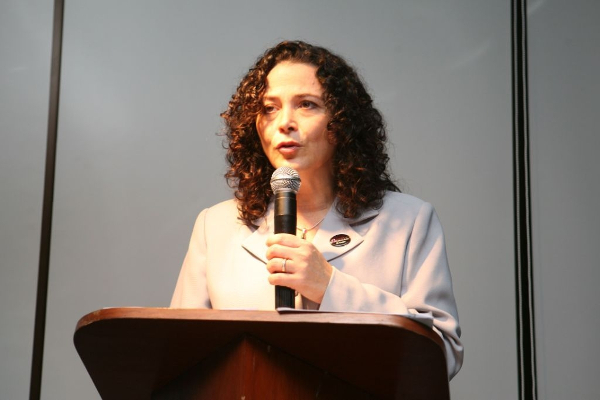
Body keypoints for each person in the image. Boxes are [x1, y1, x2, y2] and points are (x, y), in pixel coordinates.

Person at [170, 40, 463, 378]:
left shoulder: (409, 221)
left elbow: (441, 353)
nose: (284, 122)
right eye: (269, 108)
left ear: (341, 122)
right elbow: (180, 356)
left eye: (307, 105)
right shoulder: (215, 226)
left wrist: (330, 286)